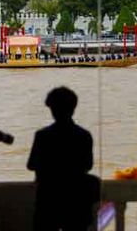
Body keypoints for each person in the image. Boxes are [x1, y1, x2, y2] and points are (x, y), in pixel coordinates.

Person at [28, 87, 99, 231]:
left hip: (49, 201)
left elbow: (31, 165)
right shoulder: (84, 136)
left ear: (52, 109)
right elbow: (88, 165)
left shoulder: (42, 136)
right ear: (73, 108)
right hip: (76, 202)